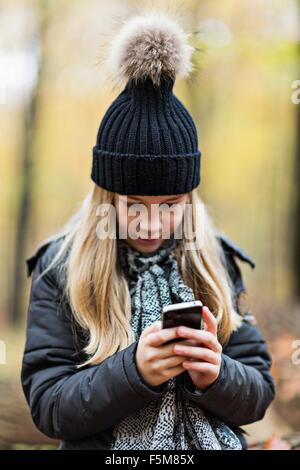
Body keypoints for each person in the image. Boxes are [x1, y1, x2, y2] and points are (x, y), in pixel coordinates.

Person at [21, 12, 275, 450]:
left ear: (189, 199)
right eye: (135, 207)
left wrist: (217, 373)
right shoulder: (61, 268)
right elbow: (49, 405)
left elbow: (258, 394)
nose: (153, 224)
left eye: (171, 207)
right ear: (107, 197)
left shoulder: (216, 262)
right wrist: (132, 373)